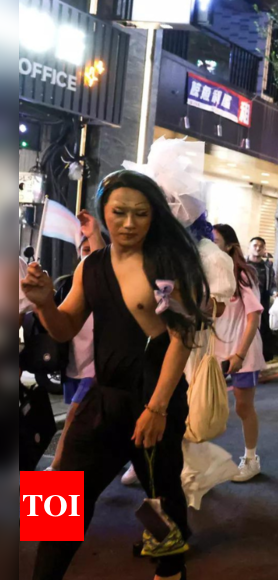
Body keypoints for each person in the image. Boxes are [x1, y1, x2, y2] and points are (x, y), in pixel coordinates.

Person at [23, 170, 213, 580]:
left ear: (154, 215)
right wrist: (42, 304)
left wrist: (158, 408)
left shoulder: (166, 266)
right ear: (102, 213)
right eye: (119, 212)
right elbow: (65, 328)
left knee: (160, 498)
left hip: (153, 401)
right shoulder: (90, 266)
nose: (129, 223)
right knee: (60, 494)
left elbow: (181, 338)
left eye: (140, 214)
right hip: (102, 398)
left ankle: (169, 569)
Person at [214, 225, 269, 483]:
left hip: (242, 351)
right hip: (214, 351)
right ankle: (197, 461)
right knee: (202, 407)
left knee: (243, 407)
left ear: (229, 247)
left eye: (215, 241)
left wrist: (240, 354)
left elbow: (253, 317)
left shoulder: (243, 275)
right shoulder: (208, 274)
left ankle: (250, 458)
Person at [51, 225, 106, 472]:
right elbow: (60, 326)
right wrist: (43, 302)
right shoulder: (70, 284)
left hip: (99, 369)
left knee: (73, 423)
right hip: (74, 364)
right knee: (85, 429)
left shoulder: (114, 287)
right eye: (85, 250)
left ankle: (55, 471)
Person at [248, 237, 277, 362]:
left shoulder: (267, 267)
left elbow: (272, 285)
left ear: (264, 249)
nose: (258, 248)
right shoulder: (241, 263)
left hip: (262, 305)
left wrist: (275, 292)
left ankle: (256, 364)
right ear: (249, 247)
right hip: (244, 304)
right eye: (255, 245)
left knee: (260, 335)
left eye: (261, 246)